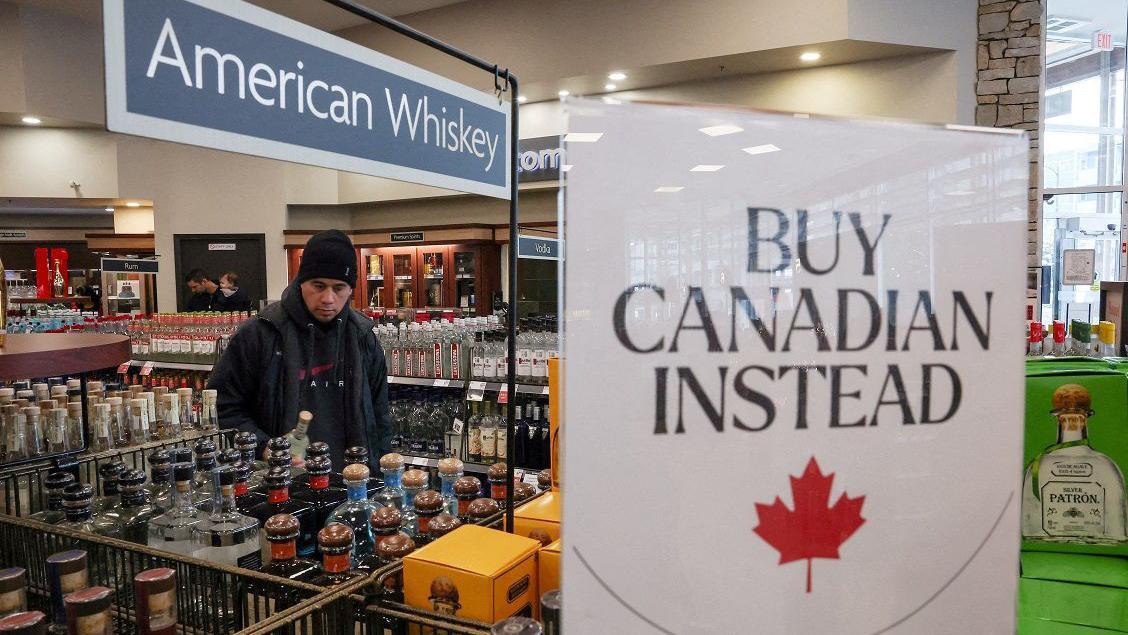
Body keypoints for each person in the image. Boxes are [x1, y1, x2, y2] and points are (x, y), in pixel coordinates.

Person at [208, 229, 390, 471]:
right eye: (318, 285)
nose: (328, 298)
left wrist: (383, 475)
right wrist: (264, 447)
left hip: (353, 487)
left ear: (351, 289)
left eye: (339, 288)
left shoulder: (363, 336)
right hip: (282, 486)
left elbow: (380, 416)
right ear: (301, 281)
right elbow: (223, 405)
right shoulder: (260, 334)